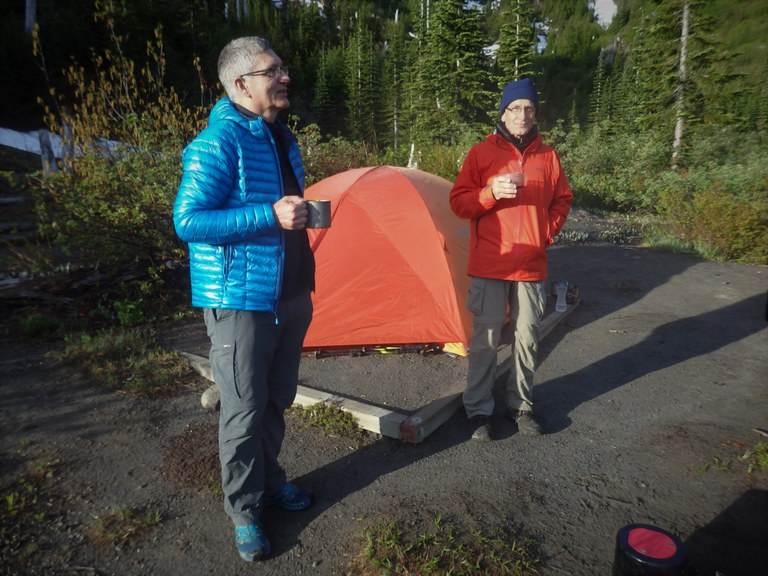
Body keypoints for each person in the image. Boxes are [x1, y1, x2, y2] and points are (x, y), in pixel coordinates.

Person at [173, 36, 315, 561]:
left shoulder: (282, 137)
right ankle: (244, 510)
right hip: (240, 300)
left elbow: (284, 208)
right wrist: (268, 216)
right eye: (271, 70)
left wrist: (304, 215)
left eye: (282, 67)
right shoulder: (216, 143)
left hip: (292, 293)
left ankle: (271, 480)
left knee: (277, 399)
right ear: (241, 84)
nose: (284, 76)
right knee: (243, 409)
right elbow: (187, 222)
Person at [449, 78, 573, 441]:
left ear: (536, 114)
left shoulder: (548, 156)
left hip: (531, 264)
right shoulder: (481, 153)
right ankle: (478, 410)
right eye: (516, 108)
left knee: (527, 338)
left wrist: (546, 232)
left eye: (530, 109)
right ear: (503, 112)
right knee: (486, 339)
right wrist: (489, 193)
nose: (523, 115)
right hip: (490, 263)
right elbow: (459, 202)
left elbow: (562, 199)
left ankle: (521, 406)